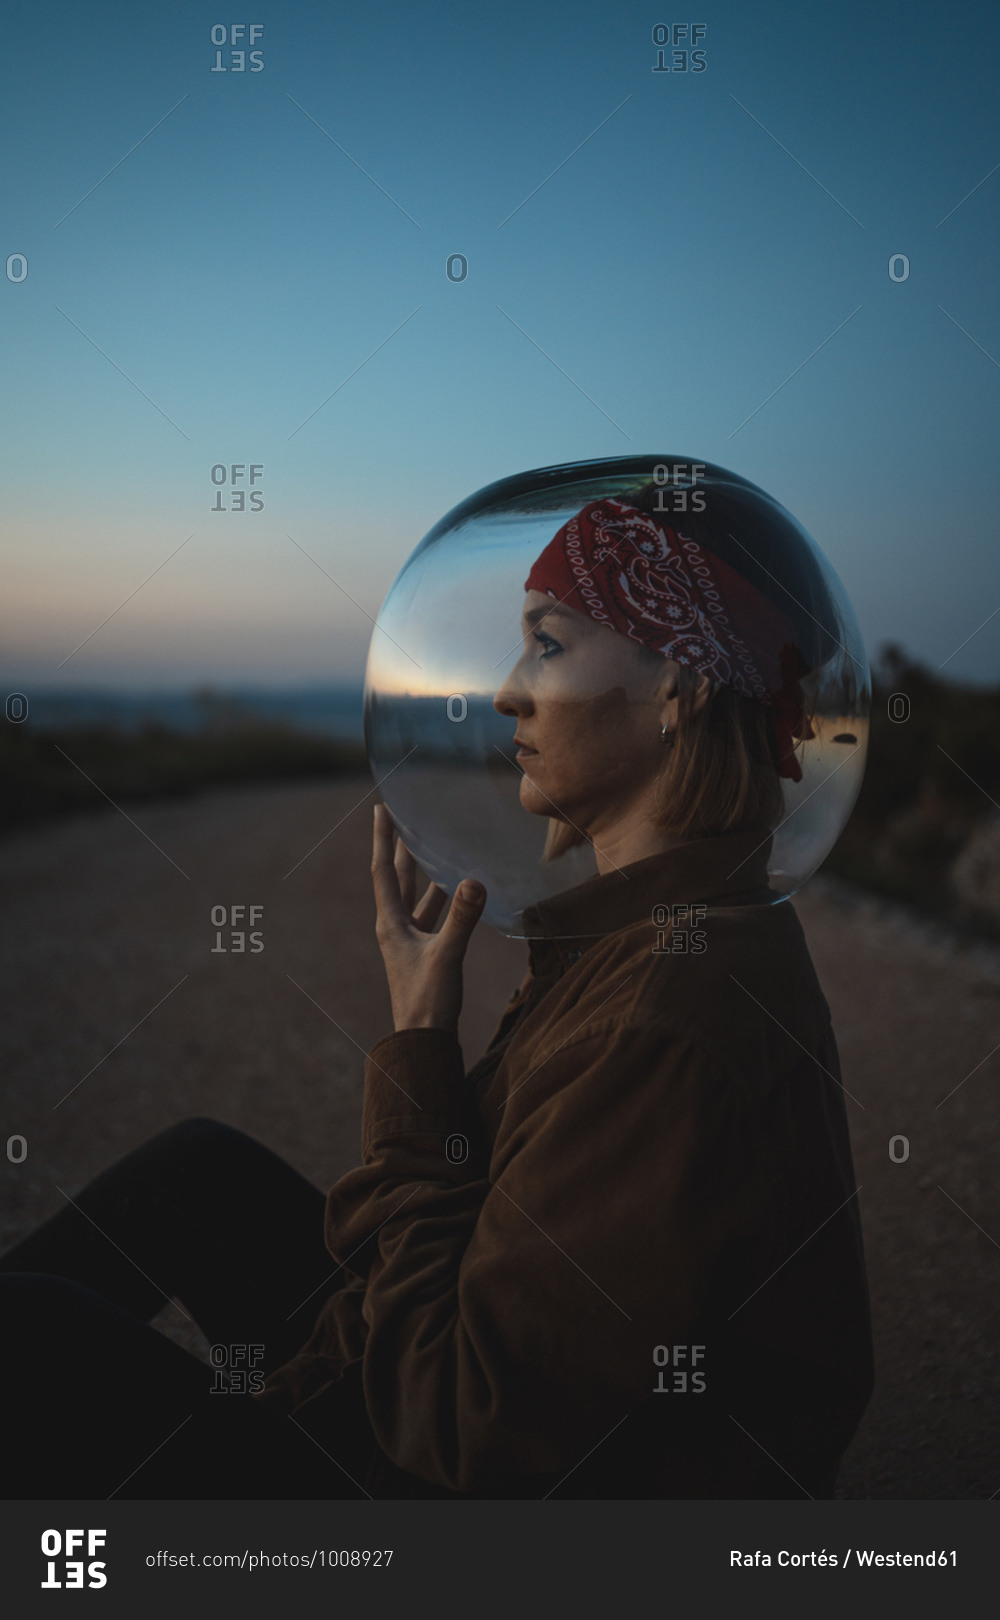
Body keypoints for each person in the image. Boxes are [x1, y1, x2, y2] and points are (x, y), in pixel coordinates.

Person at [0, 491, 873, 1500]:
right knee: (192, 1177)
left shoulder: (669, 1009)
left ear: (675, 685)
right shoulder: (663, 928)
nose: (505, 693)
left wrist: (420, 1041)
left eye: (546, 645)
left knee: (36, 1331)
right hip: (463, 1396)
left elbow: (466, 1425)